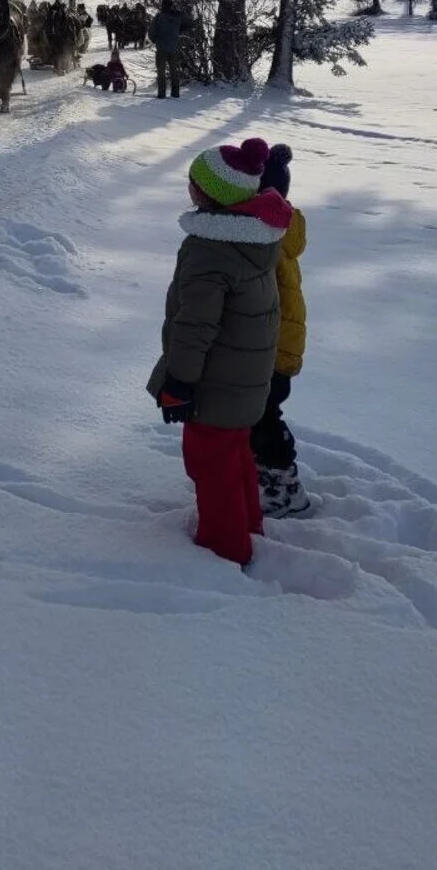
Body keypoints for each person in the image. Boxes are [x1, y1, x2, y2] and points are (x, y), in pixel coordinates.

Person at [148, 137, 292, 567]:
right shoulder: (255, 238)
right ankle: (247, 527)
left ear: (207, 194)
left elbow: (195, 327)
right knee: (235, 457)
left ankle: (224, 551)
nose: (189, 187)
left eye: (193, 181)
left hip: (213, 384)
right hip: (244, 382)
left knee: (211, 466)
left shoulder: (211, 251)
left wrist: (178, 382)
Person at [250, 145, 313, 517]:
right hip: (282, 348)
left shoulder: (267, 242)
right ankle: (267, 473)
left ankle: (284, 486)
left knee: (264, 416)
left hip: (272, 351)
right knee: (263, 413)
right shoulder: (283, 232)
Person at [148, 0, 192, 99]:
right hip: (174, 47)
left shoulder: (159, 16)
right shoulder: (178, 15)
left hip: (162, 48)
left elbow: (151, 31)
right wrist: (178, 32)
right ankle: (175, 93)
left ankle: (162, 94)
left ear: (163, 5)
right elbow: (190, 24)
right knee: (174, 72)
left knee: (161, 72)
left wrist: (155, 40)